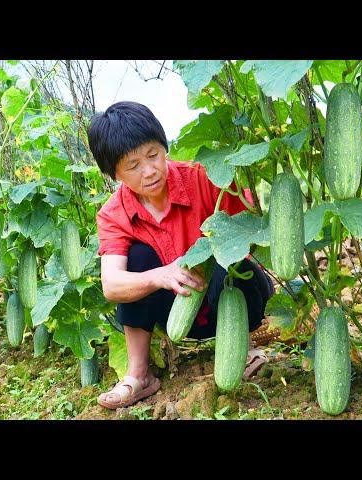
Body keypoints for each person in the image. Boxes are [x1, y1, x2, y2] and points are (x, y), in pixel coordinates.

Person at [87, 101, 274, 410]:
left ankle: (245, 348)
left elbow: (253, 227)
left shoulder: (204, 176)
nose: (149, 170)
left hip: (227, 302)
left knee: (233, 264)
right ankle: (139, 375)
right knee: (137, 259)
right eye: (133, 165)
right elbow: (112, 284)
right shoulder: (113, 214)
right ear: (114, 173)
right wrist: (161, 275)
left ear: (164, 147)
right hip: (173, 313)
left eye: (153, 155)